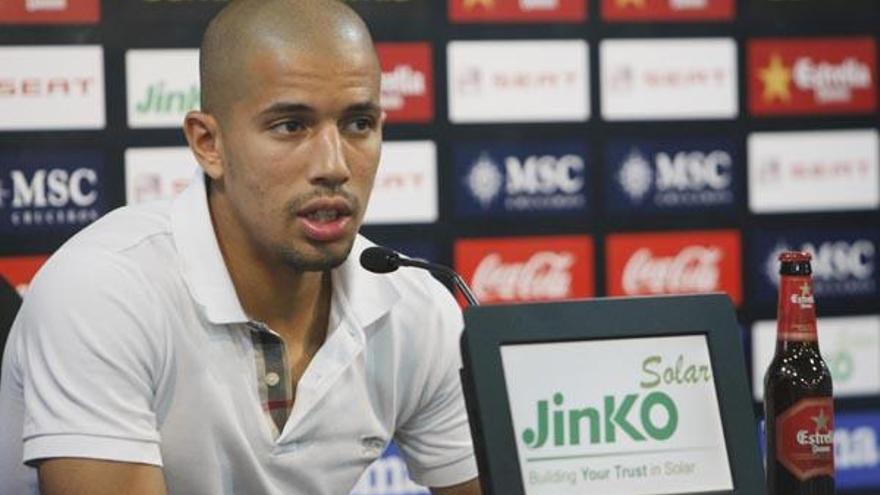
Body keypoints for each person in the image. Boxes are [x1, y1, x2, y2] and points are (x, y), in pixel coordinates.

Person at [0, 1, 481, 493]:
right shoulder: (104, 291)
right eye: (291, 126)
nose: (335, 165)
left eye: (359, 124)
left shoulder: (415, 307)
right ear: (209, 143)